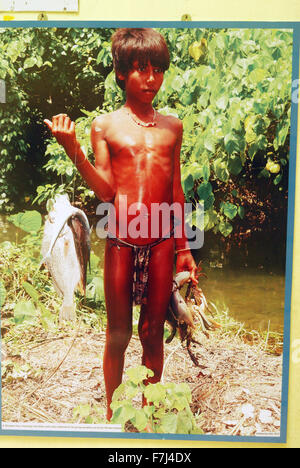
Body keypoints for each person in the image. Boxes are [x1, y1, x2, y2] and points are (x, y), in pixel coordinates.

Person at [44, 28, 198, 421]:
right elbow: (107, 192)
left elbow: (175, 189)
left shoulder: (173, 127)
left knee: (151, 333)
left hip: (163, 240)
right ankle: (115, 415)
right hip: (123, 242)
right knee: (119, 335)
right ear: (121, 73)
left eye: (158, 70)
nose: (151, 79)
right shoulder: (106, 125)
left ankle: (148, 413)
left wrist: (184, 247)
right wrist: (73, 149)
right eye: (141, 69)